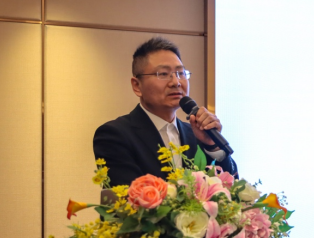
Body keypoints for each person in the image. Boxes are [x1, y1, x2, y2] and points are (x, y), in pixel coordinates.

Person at [94, 37, 238, 186]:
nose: (176, 82)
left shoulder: (197, 134)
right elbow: (127, 195)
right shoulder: (114, 135)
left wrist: (212, 146)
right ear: (137, 85)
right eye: (163, 74)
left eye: (181, 73)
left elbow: (230, 188)